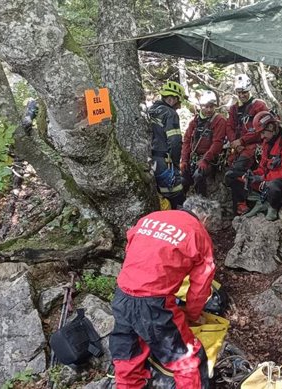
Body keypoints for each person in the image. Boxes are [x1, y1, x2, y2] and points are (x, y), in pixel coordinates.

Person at [109, 195, 221, 389]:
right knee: (187, 358)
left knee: (128, 355)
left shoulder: (151, 218)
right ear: (205, 219)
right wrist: (192, 315)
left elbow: (132, 247)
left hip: (122, 294)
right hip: (154, 303)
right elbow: (200, 286)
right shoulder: (197, 232)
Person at [227, 111, 282, 221]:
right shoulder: (266, 143)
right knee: (232, 175)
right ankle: (256, 201)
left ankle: (272, 206)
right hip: (265, 181)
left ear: (271, 126)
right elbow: (263, 168)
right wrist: (253, 175)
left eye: (263, 133)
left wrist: (262, 178)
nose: (262, 137)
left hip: (281, 184)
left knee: (273, 186)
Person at [224, 74, 269, 214]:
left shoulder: (258, 105)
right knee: (231, 169)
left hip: (253, 146)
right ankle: (242, 202)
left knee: (235, 172)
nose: (241, 95)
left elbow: (261, 128)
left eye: (244, 92)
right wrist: (234, 142)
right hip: (238, 147)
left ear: (249, 90)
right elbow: (229, 127)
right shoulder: (234, 109)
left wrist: (242, 141)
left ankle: (243, 203)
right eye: (239, 92)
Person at [180, 90, 228, 197]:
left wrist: (205, 160)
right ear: (201, 106)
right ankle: (180, 206)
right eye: (206, 106)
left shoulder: (219, 121)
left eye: (211, 107)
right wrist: (184, 160)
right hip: (194, 158)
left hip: (210, 160)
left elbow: (217, 143)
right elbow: (187, 141)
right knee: (183, 179)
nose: (209, 110)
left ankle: (202, 202)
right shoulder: (194, 122)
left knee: (198, 176)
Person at [150, 80, 187, 209]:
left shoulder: (151, 110)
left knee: (160, 195)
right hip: (165, 163)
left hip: (151, 160)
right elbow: (175, 142)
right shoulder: (170, 114)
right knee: (176, 195)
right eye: (179, 102)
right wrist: (176, 163)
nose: (179, 106)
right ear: (172, 99)